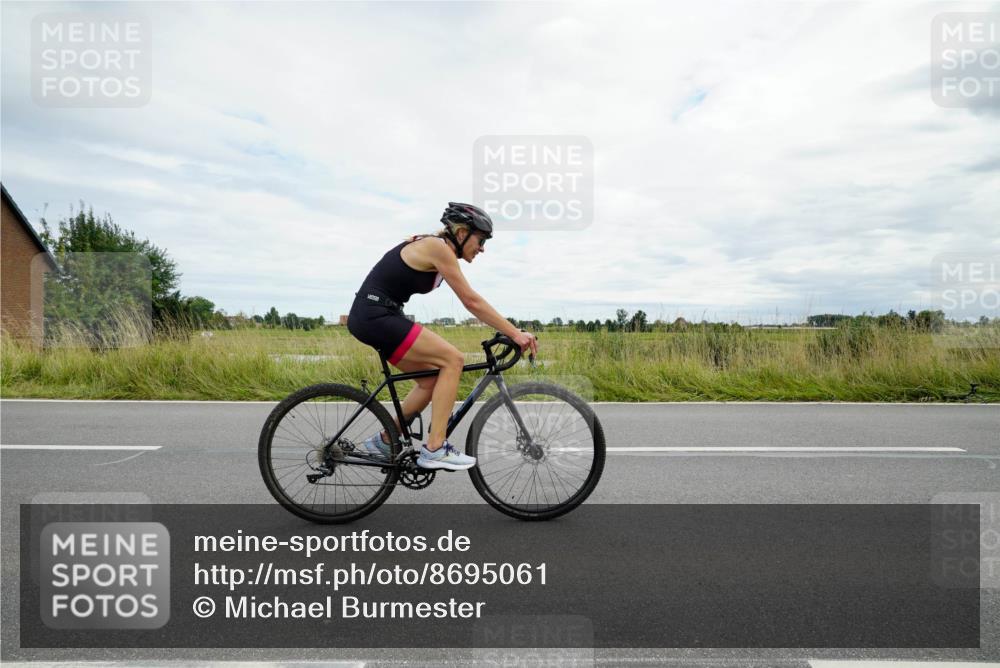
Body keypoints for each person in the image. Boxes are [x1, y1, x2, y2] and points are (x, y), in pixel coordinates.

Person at [346, 202, 538, 470]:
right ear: (461, 233)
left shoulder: (439, 249)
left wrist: (508, 329)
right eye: (481, 240)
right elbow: (471, 301)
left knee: (430, 380)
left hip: (377, 315)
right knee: (452, 360)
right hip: (375, 314)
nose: (482, 248)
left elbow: (472, 300)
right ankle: (435, 448)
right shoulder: (438, 248)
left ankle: (386, 439)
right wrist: (515, 333)